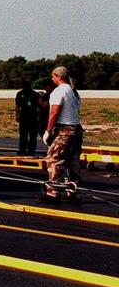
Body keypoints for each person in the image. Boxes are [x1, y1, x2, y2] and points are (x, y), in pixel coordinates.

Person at [43, 66, 84, 201]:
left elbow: (54, 112)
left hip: (65, 129)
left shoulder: (59, 91)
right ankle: (74, 191)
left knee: (54, 158)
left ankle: (53, 192)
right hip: (76, 129)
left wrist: (48, 131)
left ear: (58, 77)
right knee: (73, 160)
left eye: (53, 76)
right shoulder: (74, 92)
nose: (52, 79)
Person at [14, 80, 40, 156]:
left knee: (25, 135)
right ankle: (29, 150)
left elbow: (17, 107)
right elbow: (17, 106)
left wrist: (17, 115)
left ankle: (24, 150)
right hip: (29, 116)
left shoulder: (21, 93)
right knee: (30, 135)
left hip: (27, 116)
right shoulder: (34, 94)